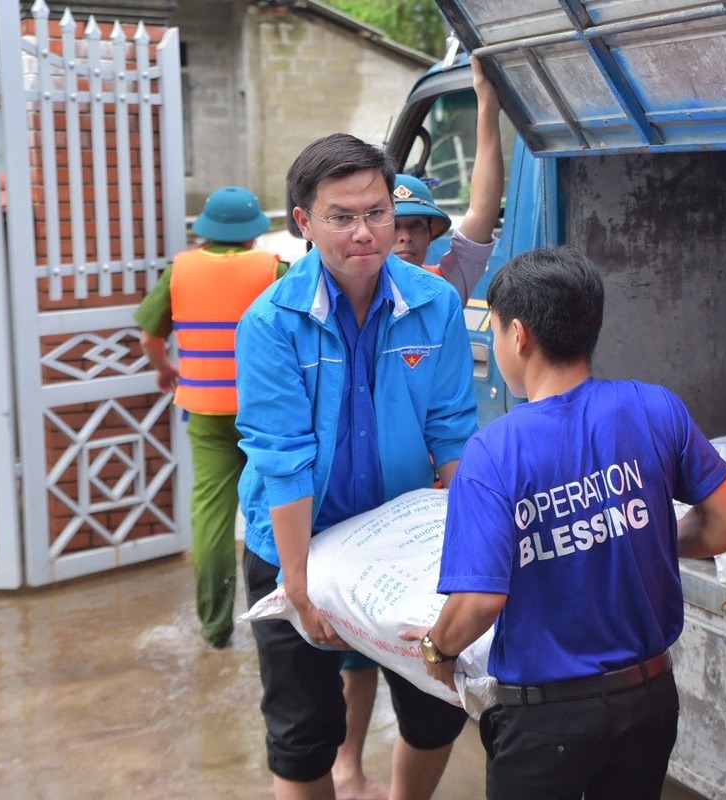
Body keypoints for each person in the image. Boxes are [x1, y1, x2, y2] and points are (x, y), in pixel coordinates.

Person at [404, 245, 726, 800]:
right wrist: (635, 536)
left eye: (493, 329)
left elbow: (478, 602)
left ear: (519, 335)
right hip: (650, 700)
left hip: (546, 720)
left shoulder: (494, 452)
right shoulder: (655, 407)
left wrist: (437, 651)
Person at [235, 132, 477, 800]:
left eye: (377, 212)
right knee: (302, 732)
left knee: (435, 709)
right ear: (304, 223)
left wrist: (458, 554)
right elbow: (282, 461)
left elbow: (454, 430)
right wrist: (298, 583)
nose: (365, 232)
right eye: (342, 216)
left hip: (398, 541)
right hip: (294, 540)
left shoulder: (434, 303)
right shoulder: (271, 324)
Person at [331, 56, 504, 800]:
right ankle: (345, 765)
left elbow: (486, 203)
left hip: (423, 497)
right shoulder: (328, 296)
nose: (396, 239)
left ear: (428, 235)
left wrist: (488, 110)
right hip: (354, 495)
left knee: (415, 652)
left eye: (413, 228)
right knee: (349, 654)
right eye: (385, 223)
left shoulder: (439, 287)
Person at [134, 185, 283, 649]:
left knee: (213, 520)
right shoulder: (273, 268)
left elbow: (148, 338)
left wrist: (165, 370)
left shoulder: (179, 270)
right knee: (279, 512)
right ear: (254, 232)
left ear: (207, 231)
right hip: (267, 415)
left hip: (205, 412)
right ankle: (280, 620)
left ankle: (216, 628)